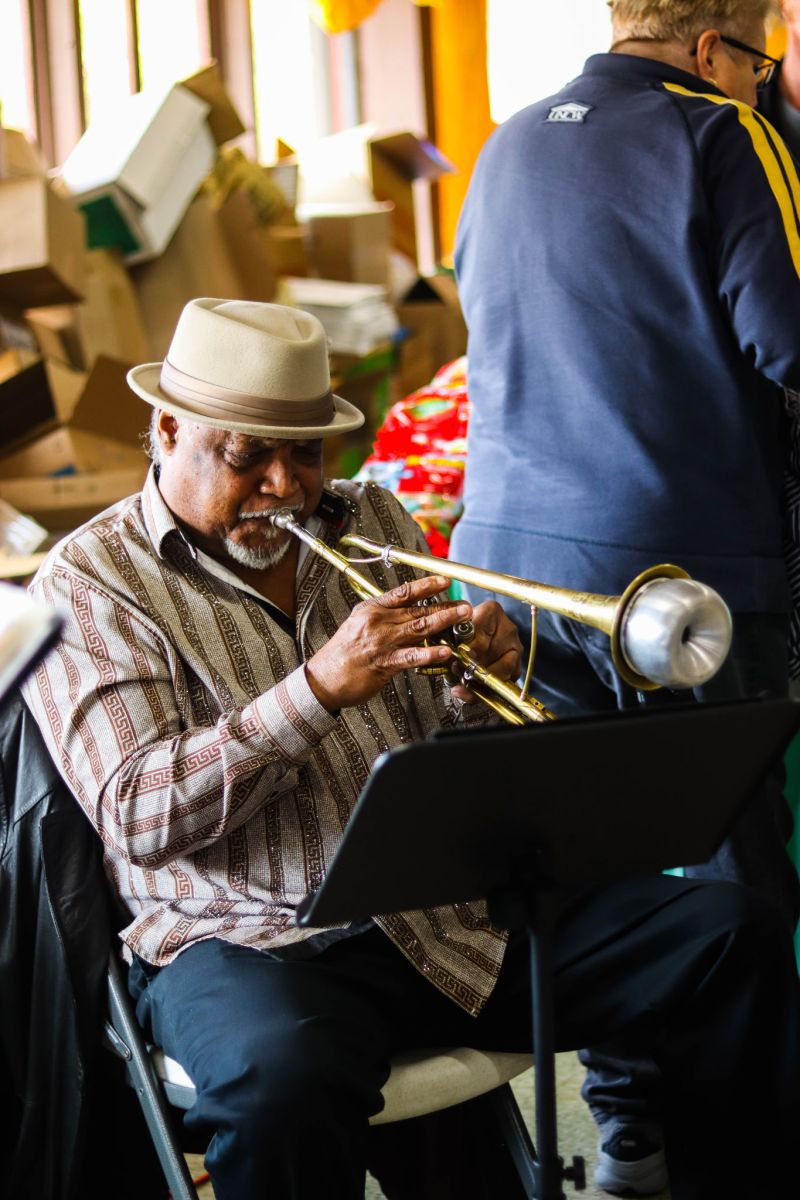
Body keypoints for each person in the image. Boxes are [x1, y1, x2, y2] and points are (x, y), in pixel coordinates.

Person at [22, 298, 800, 1200]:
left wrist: (475, 693)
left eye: (306, 454)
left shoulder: (377, 521)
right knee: (280, 1082)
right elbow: (138, 815)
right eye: (248, 456)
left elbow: (447, 754)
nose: (285, 485)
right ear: (167, 430)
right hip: (245, 938)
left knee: (729, 933)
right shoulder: (90, 582)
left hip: (443, 915)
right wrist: (317, 689)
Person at [452, 0, 800, 1193]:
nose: (758, 84)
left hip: (508, 569)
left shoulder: (503, 142)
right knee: (726, 860)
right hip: (671, 573)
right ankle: (743, 1157)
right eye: (756, 61)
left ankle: (630, 1130)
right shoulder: (718, 133)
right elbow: (788, 343)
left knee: (590, 860)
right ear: (710, 49)